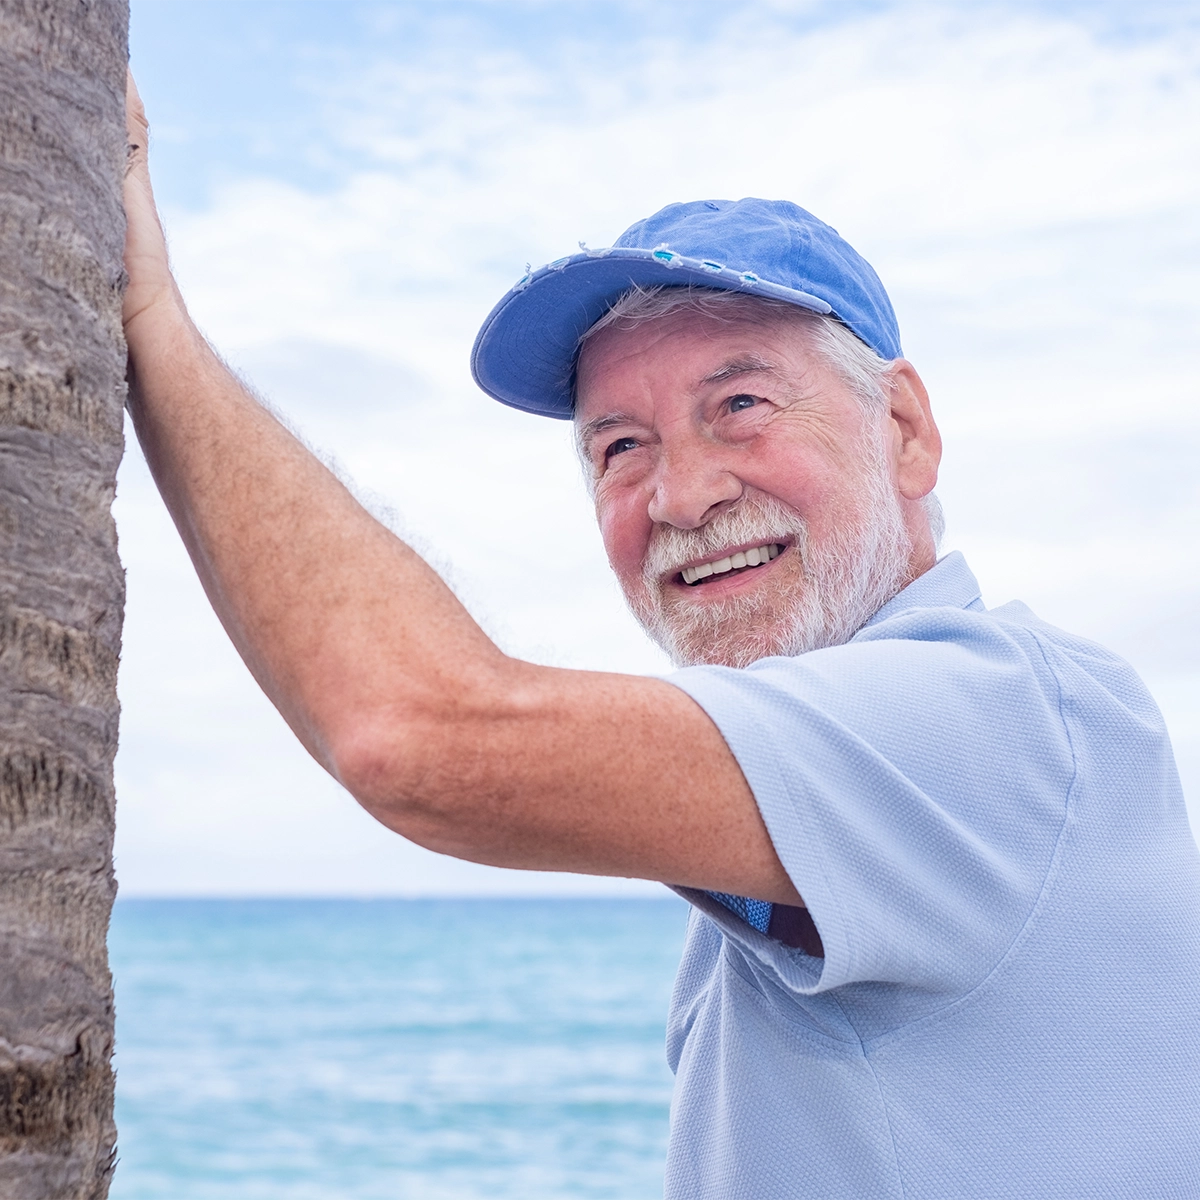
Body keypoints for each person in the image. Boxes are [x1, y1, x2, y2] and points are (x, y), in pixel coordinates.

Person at [123, 74, 1200, 1199]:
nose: (679, 496)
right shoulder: (863, 802)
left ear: (905, 432)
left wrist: (152, 321)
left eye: (739, 406)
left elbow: (419, 734)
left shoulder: (996, 718)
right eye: (619, 447)